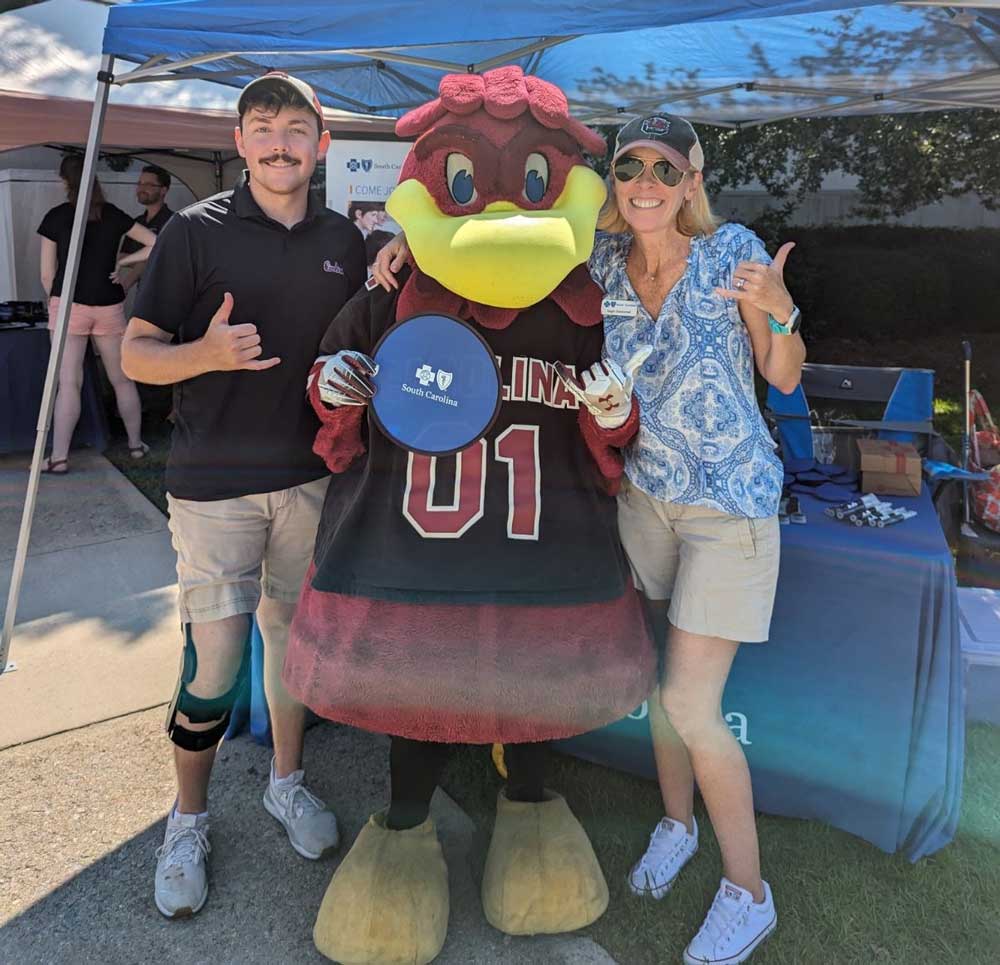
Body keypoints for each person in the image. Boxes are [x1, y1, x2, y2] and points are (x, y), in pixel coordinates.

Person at [372, 112, 804, 965]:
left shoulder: (733, 251)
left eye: (663, 167)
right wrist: (400, 249)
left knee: (690, 702)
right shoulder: (598, 260)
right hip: (642, 496)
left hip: (729, 506)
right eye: (630, 166)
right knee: (655, 681)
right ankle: (676, 827)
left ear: (692, 177)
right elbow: (501, 262)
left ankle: (749, 893)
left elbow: (783, 377)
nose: (645, 181)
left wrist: (781, 312)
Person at [120, 71, 366, 920]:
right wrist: (207, 355)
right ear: (239, 142)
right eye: (261, 126)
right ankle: (187, 820)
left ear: (322, 143)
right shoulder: (193, 232)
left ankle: (285, 783)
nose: (279, 142)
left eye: (296, 126)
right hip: (215, 488)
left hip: (310, 482)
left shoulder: (346, 239)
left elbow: (362, 344)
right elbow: (137, 354)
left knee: (294, 648)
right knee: (215, 665)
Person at [37, 154, 157, 473]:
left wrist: (57, 304)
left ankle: (60, 457)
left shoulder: (56, 217)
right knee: (121, 379)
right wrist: (123, 263)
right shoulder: (114, 215)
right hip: (108, 306)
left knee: (69, 382)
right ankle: (135, 446)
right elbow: (156, 243)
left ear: (65, 182)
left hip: (68, 306)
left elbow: (47, 275)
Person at [118, 164, 174, 292]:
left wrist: (140, 259)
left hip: (167, 292)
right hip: (142, 291)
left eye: (149, 184)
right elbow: (122, 256)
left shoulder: (174, 222)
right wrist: (144, 260)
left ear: (163, 190)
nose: (141, 188)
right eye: (140, 183)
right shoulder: (137, 222)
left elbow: (166, 260)